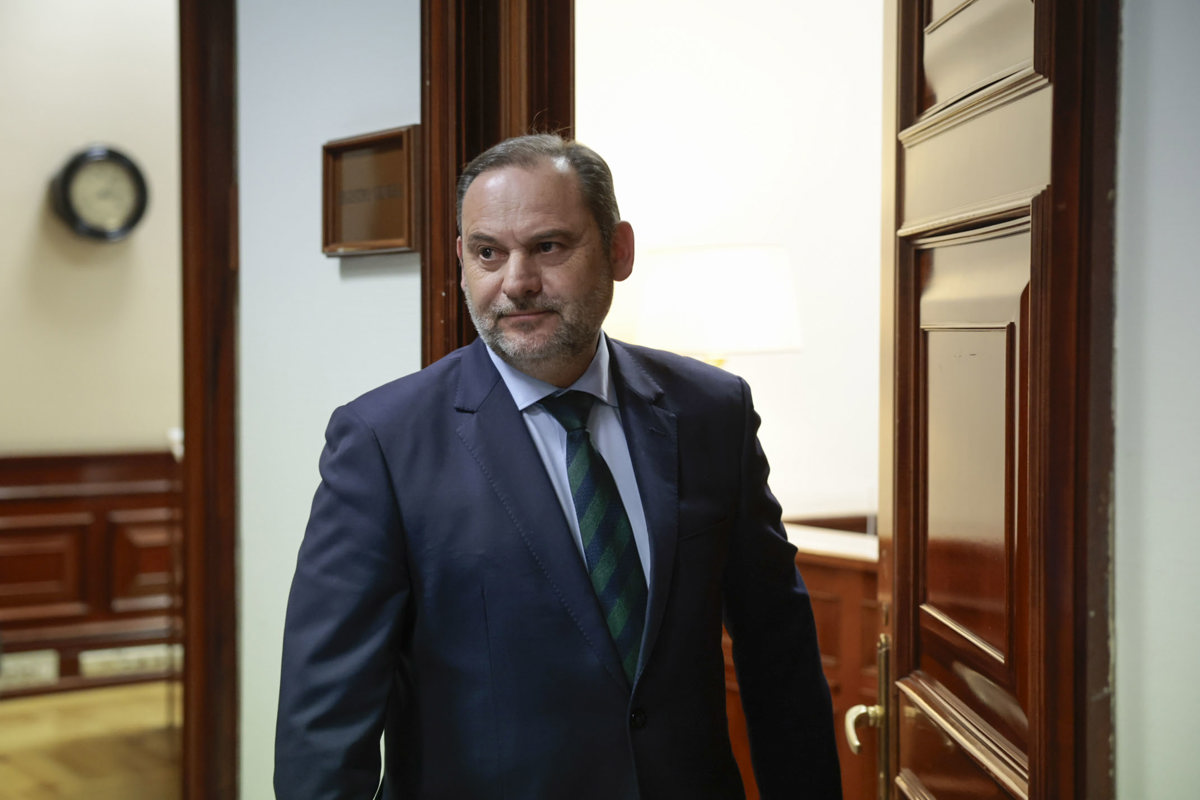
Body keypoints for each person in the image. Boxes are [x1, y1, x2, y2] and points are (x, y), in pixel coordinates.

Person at [274, 133, 842, 799]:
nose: (516, 282)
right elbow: (325, 718)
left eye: (548, 246)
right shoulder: (383, 442)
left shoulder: (711, 410)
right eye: (489, 253)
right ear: (461, 260)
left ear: (618, 250)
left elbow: (780, 654)